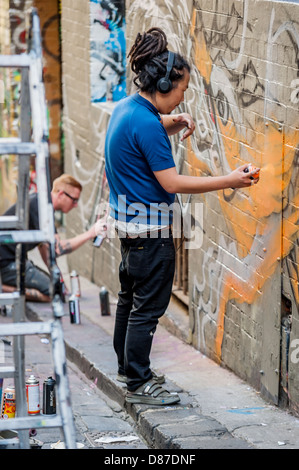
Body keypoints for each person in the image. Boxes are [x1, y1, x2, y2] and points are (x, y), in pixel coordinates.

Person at [104, 27, 260, 406]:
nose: (183, 96)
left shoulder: (128, 109)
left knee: (129, 299)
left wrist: (173, 121)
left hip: (128, 227)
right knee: (148, 309)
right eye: (183, 90)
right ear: (163, 83)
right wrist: (231, 180)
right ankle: (140, 382)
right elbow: (172, 183)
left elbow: (141, 134)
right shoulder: (146, 123)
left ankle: (127, 368)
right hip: (151, 231)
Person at [0, 174, 107, 302]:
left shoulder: (42, 204)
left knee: (56, 288)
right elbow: (58, 249)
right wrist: (90, 233)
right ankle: (3, 289)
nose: (76, 205)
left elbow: (45, 249)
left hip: (14, 260)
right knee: (53, 293)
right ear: (61, 194)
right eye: (74, 200)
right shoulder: (42, 207)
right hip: (7, 264)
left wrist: (59, 279)